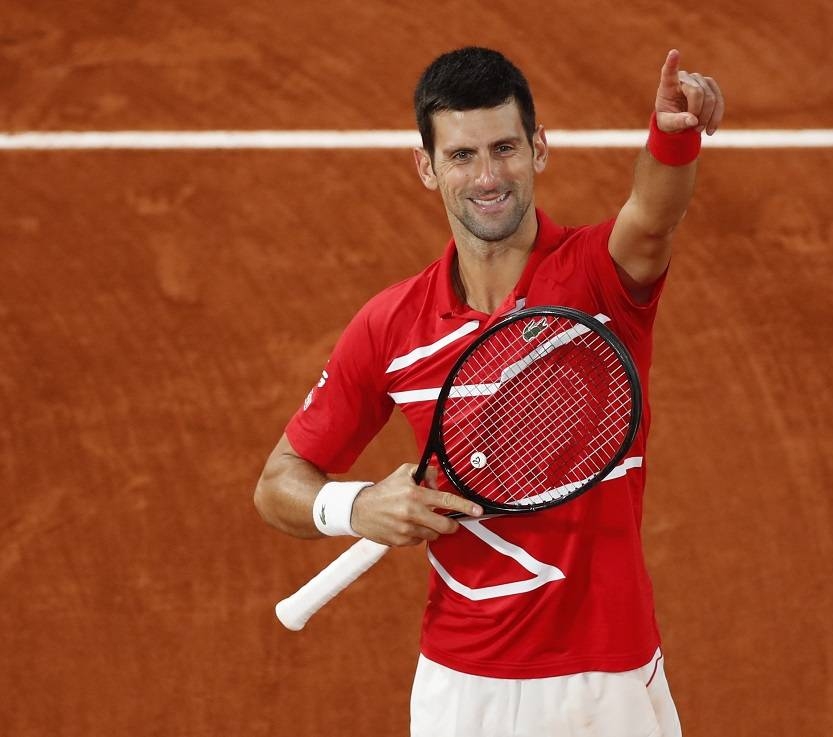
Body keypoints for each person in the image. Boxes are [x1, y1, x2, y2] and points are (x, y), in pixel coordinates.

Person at [254, 45, 723, 737]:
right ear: (427, 167)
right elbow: (278, 485)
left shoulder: (599, 277)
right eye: (462, 155)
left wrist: (672, 137)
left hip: (607, 678)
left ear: (539, 149)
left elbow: (654, 218)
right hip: (461, 691)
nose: (487, 176)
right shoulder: (390, 325)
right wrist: (359, 506)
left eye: (504, 148)